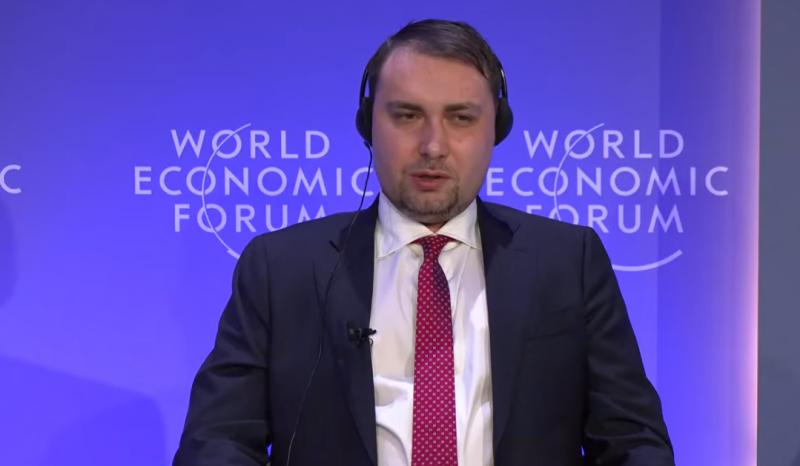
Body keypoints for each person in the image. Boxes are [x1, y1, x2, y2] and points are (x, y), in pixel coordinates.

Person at [174, 19, 674, 466]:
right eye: (408, 115)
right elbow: (217, 440)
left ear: (496, 131)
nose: (433, 146)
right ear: (368, 125)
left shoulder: (569, 261)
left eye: (461, 118)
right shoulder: (279, 268)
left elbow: (632, 440)